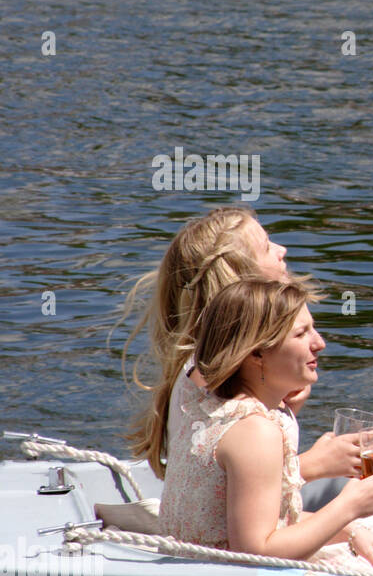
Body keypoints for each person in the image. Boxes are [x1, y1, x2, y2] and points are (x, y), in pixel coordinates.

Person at [158, 278, 373, 576]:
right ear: (256, 353)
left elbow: (251, 523)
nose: (319, 343)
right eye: (301, 333)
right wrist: (349, 506)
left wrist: (348, 531)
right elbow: (256, 553)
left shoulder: (207, 405)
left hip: (193, 571)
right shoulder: (255, 431)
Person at [121, 206, 358, 482]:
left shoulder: (219, 361)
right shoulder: (210, 377)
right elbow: (215, 484)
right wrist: (315, 464)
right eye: (267, 247)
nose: (282, 250)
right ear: (240, 278)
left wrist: (285, 409)